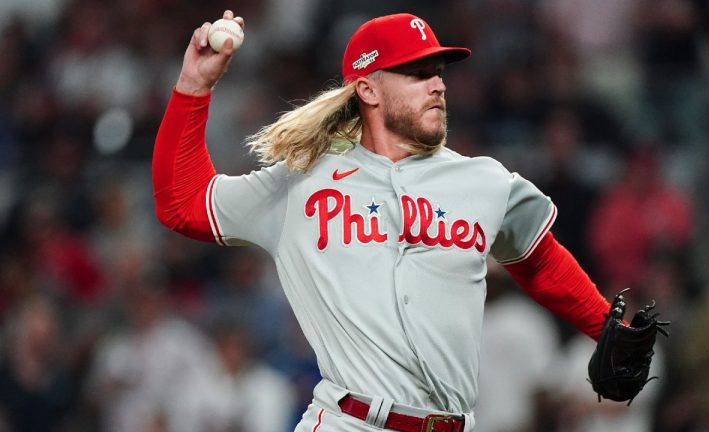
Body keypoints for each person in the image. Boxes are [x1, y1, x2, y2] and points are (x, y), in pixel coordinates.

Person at [153, 10, 614, 432]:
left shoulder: (484, 181)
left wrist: (607, 329)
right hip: (350, 422)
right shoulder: (300, 185)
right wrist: (194, 86)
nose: (437, 85)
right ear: (368, 88)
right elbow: (182, 203)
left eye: (437, 72)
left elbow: (538, 258)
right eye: (416, 73)